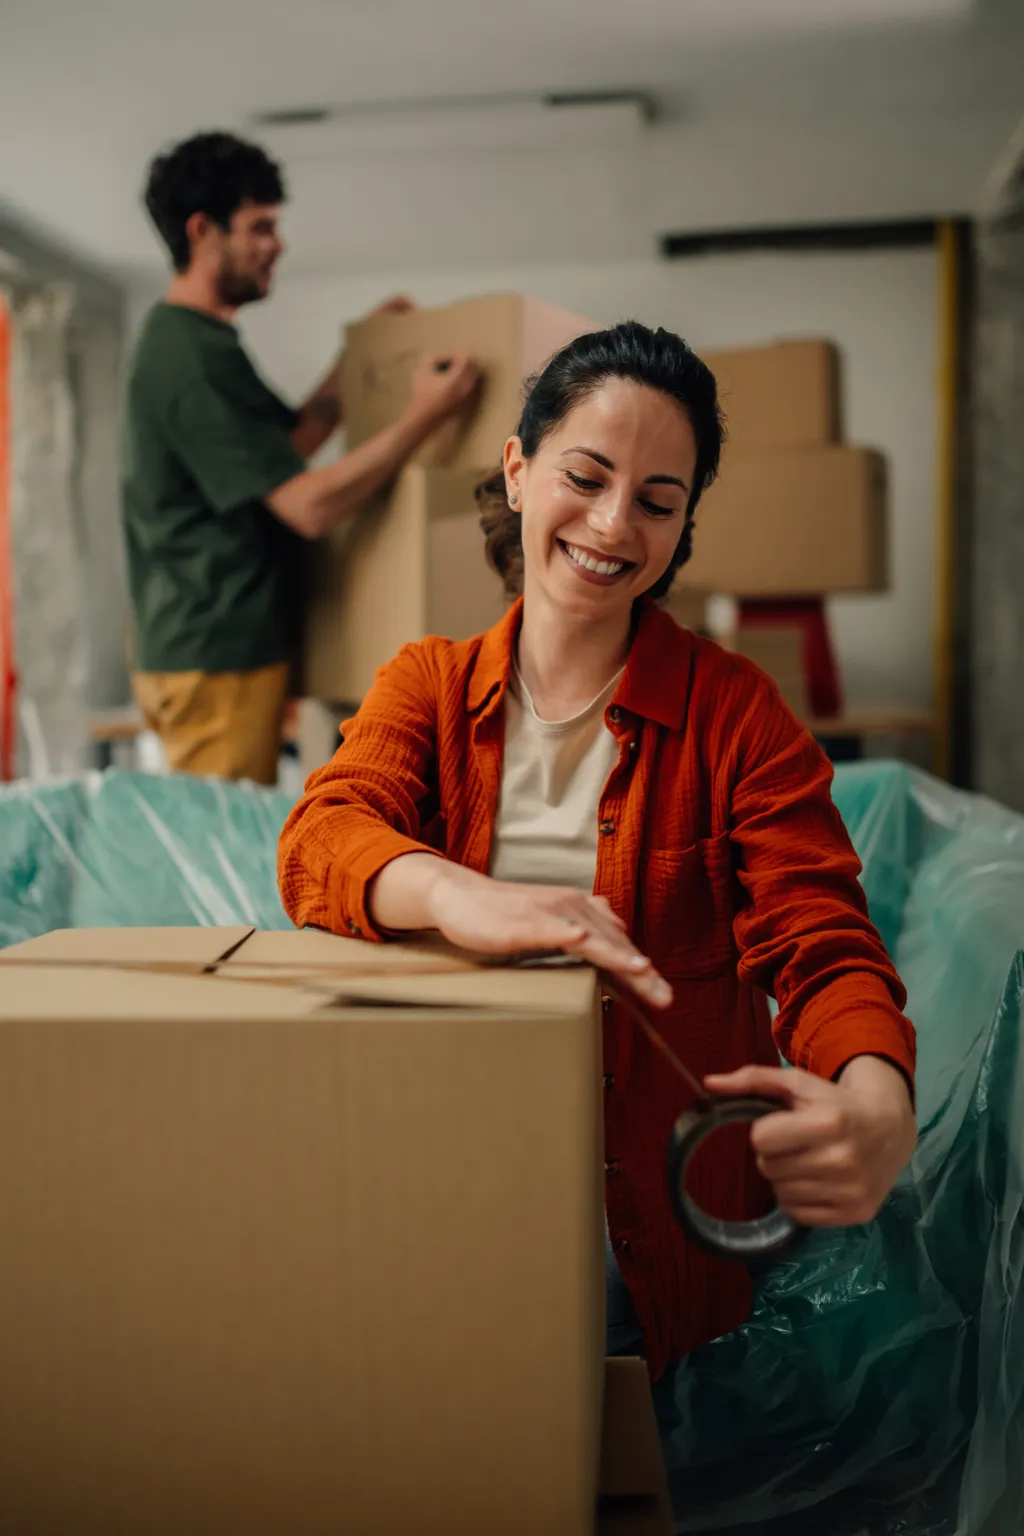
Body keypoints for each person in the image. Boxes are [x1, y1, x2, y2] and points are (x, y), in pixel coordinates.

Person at [277, 321, 917, 1379]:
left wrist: (876, 1100)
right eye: (585, 476)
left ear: (679, 531)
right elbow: (320, 840)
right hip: (439, 1202)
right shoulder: (426, 686)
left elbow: (821, 941)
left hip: (658, 1244)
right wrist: (455, 894)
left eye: (658, 503)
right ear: (519, 473)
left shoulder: (735, 716)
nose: (614, 523)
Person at [122, 131, 477, 785]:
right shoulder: (189, 358)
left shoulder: (197, 343)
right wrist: (426, 417)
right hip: (215, 652)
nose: (277, 244)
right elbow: (307, 506)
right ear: (203, 231)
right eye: (260, 227)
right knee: (216, 862)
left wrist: (357, 359)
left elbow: (282, 454)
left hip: (214, 647)